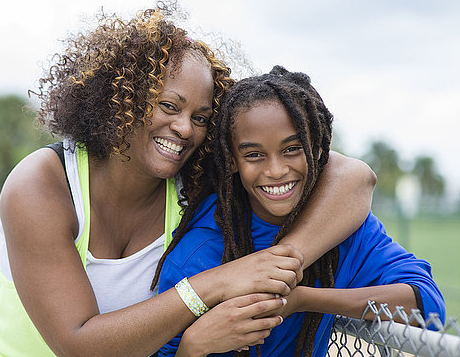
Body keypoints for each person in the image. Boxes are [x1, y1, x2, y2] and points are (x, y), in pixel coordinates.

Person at [0, 4, 377, 356]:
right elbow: (79, 343)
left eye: (201, 117)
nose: (185, 128)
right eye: (169, 106)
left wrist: (279, 264)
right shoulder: (44, 185)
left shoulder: (194, 185)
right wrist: (219, 282)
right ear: (120, 100)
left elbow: (355, 178)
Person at [156, 66, 445, 357]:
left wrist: (303, 298)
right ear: (232, 161)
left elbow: (426, 307)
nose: (276, 171)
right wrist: (195, 345)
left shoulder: (343, 230)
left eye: (292, 149)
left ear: (317, 149)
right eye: (254, 155)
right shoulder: (202, 249)